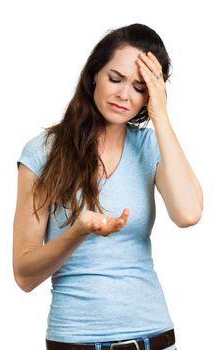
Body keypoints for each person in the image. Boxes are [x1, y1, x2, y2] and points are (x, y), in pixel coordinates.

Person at [13, 23, 203, 350]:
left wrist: (160, 114)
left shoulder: (151, 146)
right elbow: (24, 275)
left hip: (153, 337)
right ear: (94, 75)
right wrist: (77, 231)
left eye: (140, 87)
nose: (124, 94)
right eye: (115, 79)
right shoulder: (42, 151)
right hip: (75, 340)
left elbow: (188, 213)